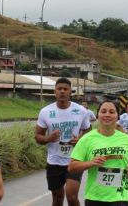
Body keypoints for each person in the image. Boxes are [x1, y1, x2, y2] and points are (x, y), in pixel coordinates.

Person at [68, 101, 128, 206]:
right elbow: (72, 167)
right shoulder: (87, 139)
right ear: (98, 116)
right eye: (103, 111)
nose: (107, 115)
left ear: (117, 116)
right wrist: (91, 163)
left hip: (121, 196)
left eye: (112, 112)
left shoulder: (125, 138)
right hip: (96, 197)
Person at [35, 77, 91, 206]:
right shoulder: (45, 112)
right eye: (59, 89)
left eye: (65, 89)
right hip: (54, 161)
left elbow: (88, 130)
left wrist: (80, 139)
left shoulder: (81, 110)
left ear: (70, 91)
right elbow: (38, 136)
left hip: (74, 160)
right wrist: (49, 138)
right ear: (55, 91)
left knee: (71, 197)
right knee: (57, 198)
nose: (62, 91)